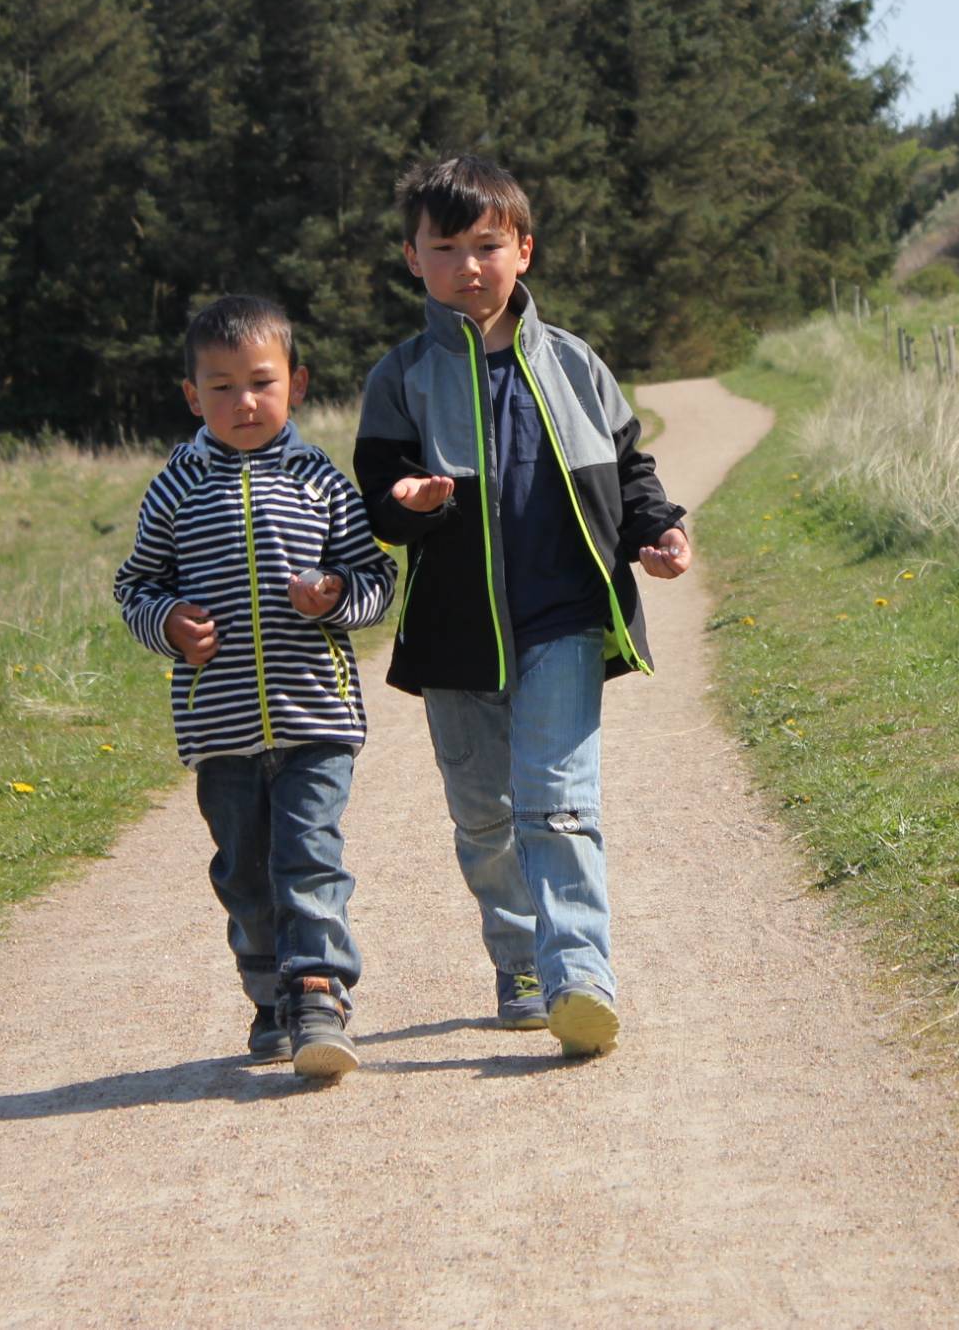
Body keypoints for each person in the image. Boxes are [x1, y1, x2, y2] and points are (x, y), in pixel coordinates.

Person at [355, 155, 691, 1059]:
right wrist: (407, 503)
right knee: (486, 819)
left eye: (488, 245)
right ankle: (523, 963)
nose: (470, 264)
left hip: (565, 623)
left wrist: (658, 532)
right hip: (455, 637)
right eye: (447, 247)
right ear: (412, 259)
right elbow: (375, 493)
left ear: (525, 251)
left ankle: (580, 974)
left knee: (560, 804)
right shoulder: (400, 378)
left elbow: (630, 472)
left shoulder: (577, 364)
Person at [115, 294, 397, 1080]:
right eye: (222, 386)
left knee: (307, 854)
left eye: (261, 383)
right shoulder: (174, 489)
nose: (244, 402)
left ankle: (317, 993)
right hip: (222, 728)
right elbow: (136, 586)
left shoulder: (321, 482)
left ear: (297, 385)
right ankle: (271, 998)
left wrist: (337, 594)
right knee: (242, 869)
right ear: (191, 396)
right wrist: (169, 622)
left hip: (316, 716)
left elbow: (377, 579)